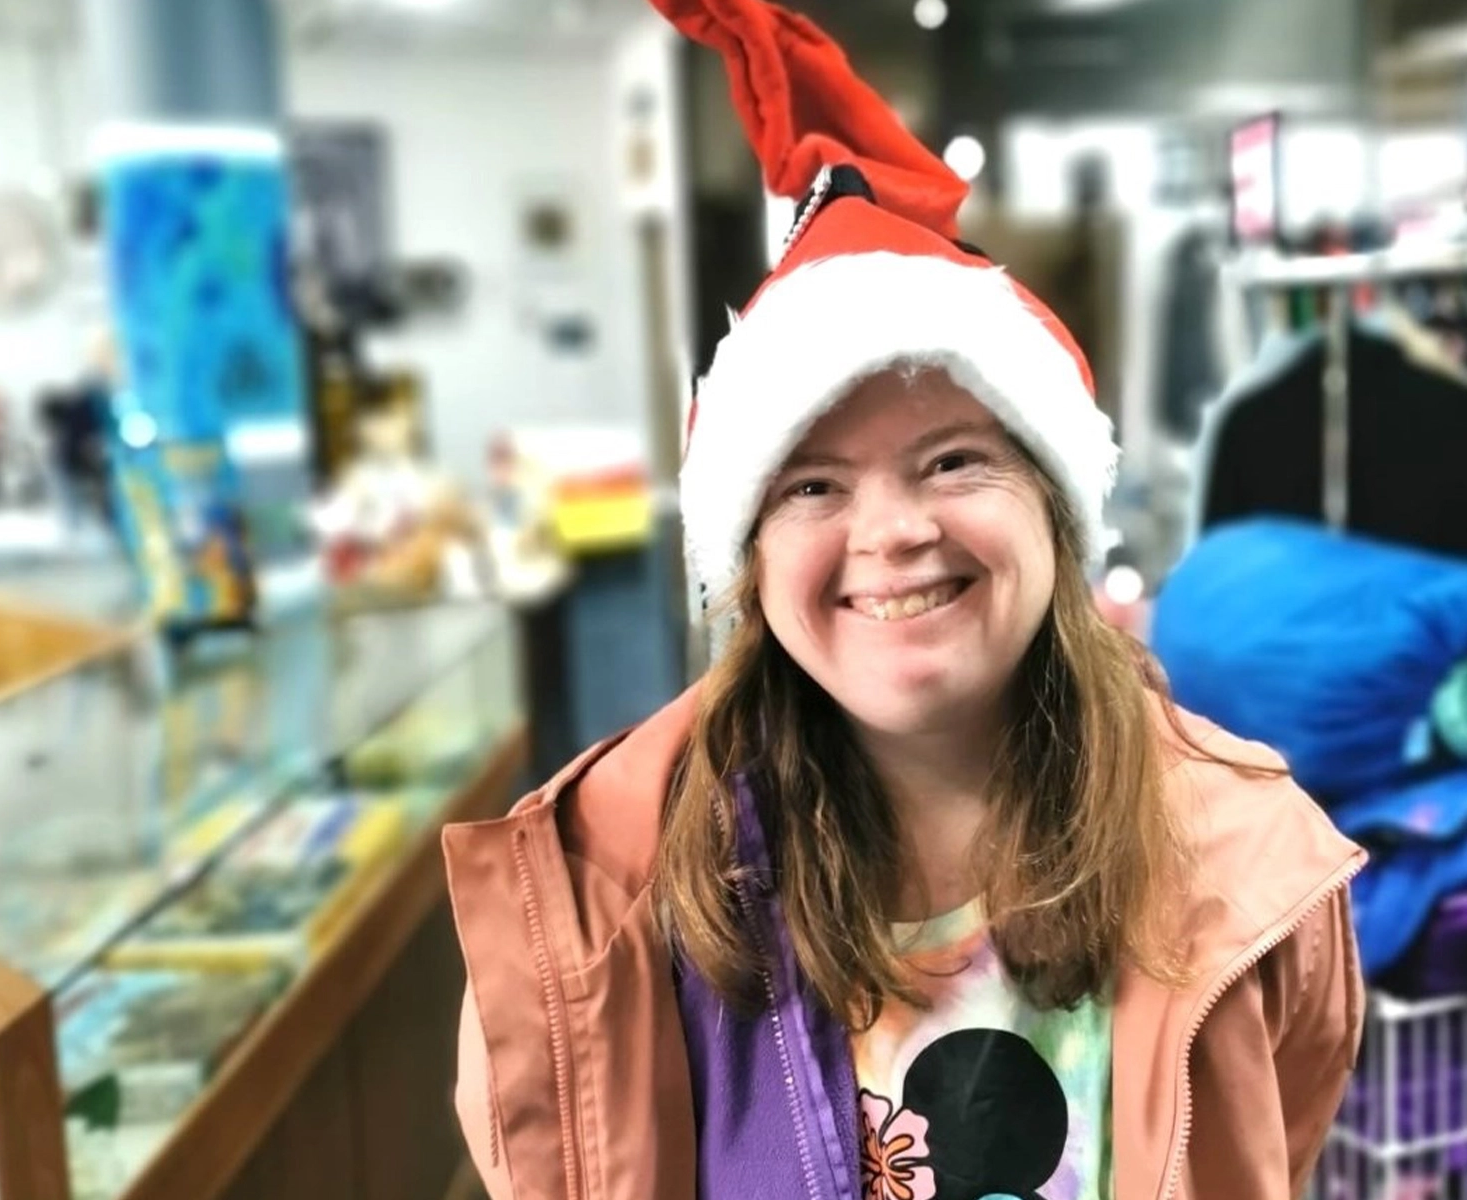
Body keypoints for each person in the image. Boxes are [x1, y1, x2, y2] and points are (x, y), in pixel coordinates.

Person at [442, 1, 1365, 1197]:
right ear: (753, 560)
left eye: (953, 460)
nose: (893, 533)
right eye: (813, 484)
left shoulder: (1250, 867)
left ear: (1056, 507)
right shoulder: (594, 909)